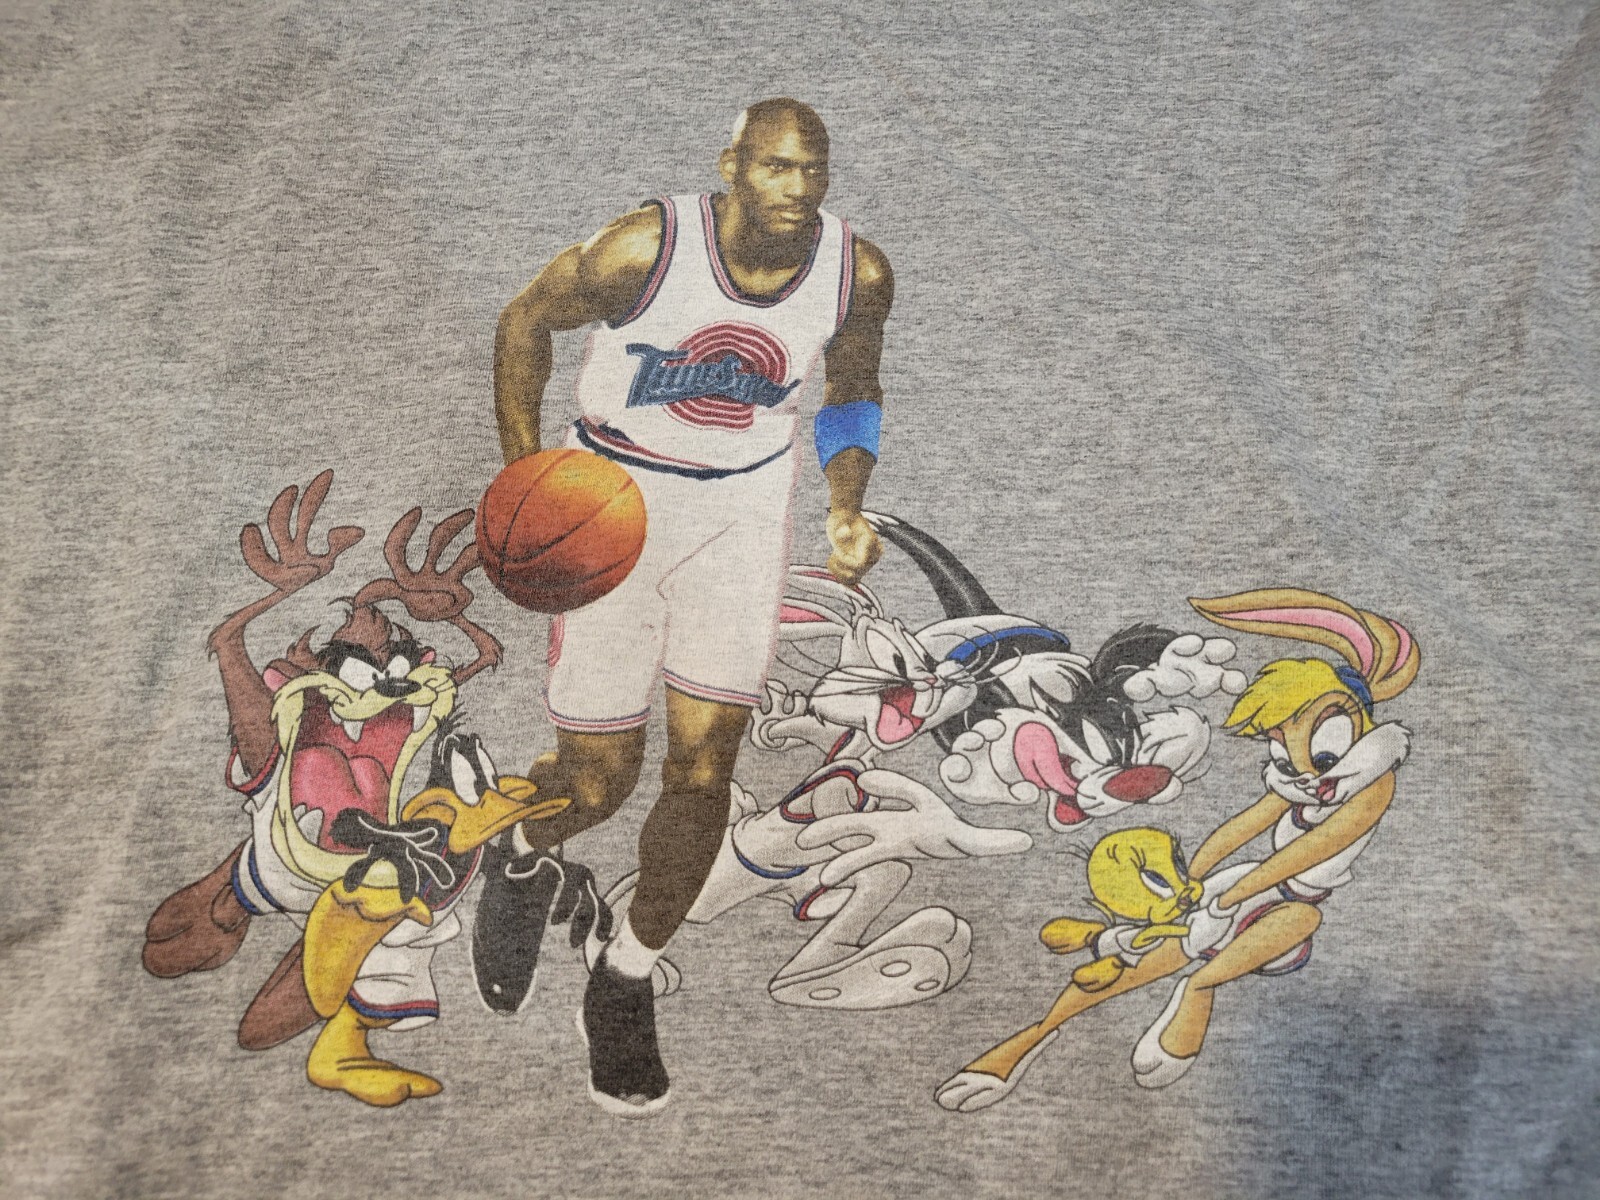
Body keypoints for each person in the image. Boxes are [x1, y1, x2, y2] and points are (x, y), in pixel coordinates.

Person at [490, 97, 893, 1115]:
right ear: (732, 166)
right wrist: (524, 476)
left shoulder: (857, 273)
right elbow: (525, 319)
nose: (796, 188)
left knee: (706, 765)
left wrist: (847, 504)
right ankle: (522, 851)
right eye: (776, 167)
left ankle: (625, 972)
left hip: (740, 516)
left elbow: (852, 390)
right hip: (613, 498)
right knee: (597, 783)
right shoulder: (645, 249)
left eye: (813, 170)